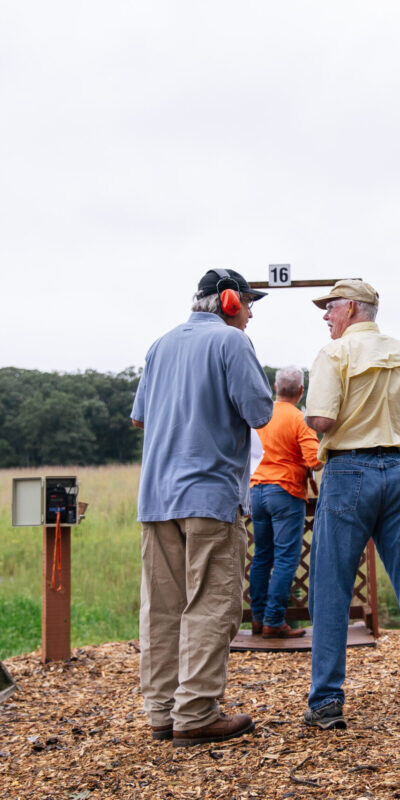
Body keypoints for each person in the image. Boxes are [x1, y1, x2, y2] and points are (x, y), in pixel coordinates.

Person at [302, 279, 400, 730]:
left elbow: (322, 419)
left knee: (331, 591)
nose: (325, 315)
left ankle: (327, 703)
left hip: (349, 471)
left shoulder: (334, 355)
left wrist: (306, 418)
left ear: (352, 307)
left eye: (330, 307)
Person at [131, 268, 273, 747]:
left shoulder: (159, 345)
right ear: (229, 302)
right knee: (212, 604)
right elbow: (260, 413)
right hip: (209, 496)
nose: (251, 313)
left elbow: (139, 418)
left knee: (162, 609)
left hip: (156, 498)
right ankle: (195, 713)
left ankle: (162, 712)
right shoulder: (232, 344)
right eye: (249, 303)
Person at [249, 366, 322, 638]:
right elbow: (314, 459)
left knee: (261, 556)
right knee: (285, 559)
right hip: (286, 492)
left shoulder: (261, 415)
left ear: (275, 388)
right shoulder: (301, 419)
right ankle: (273, 620)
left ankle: (256, 618)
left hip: (256, 490)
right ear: (301, 391)